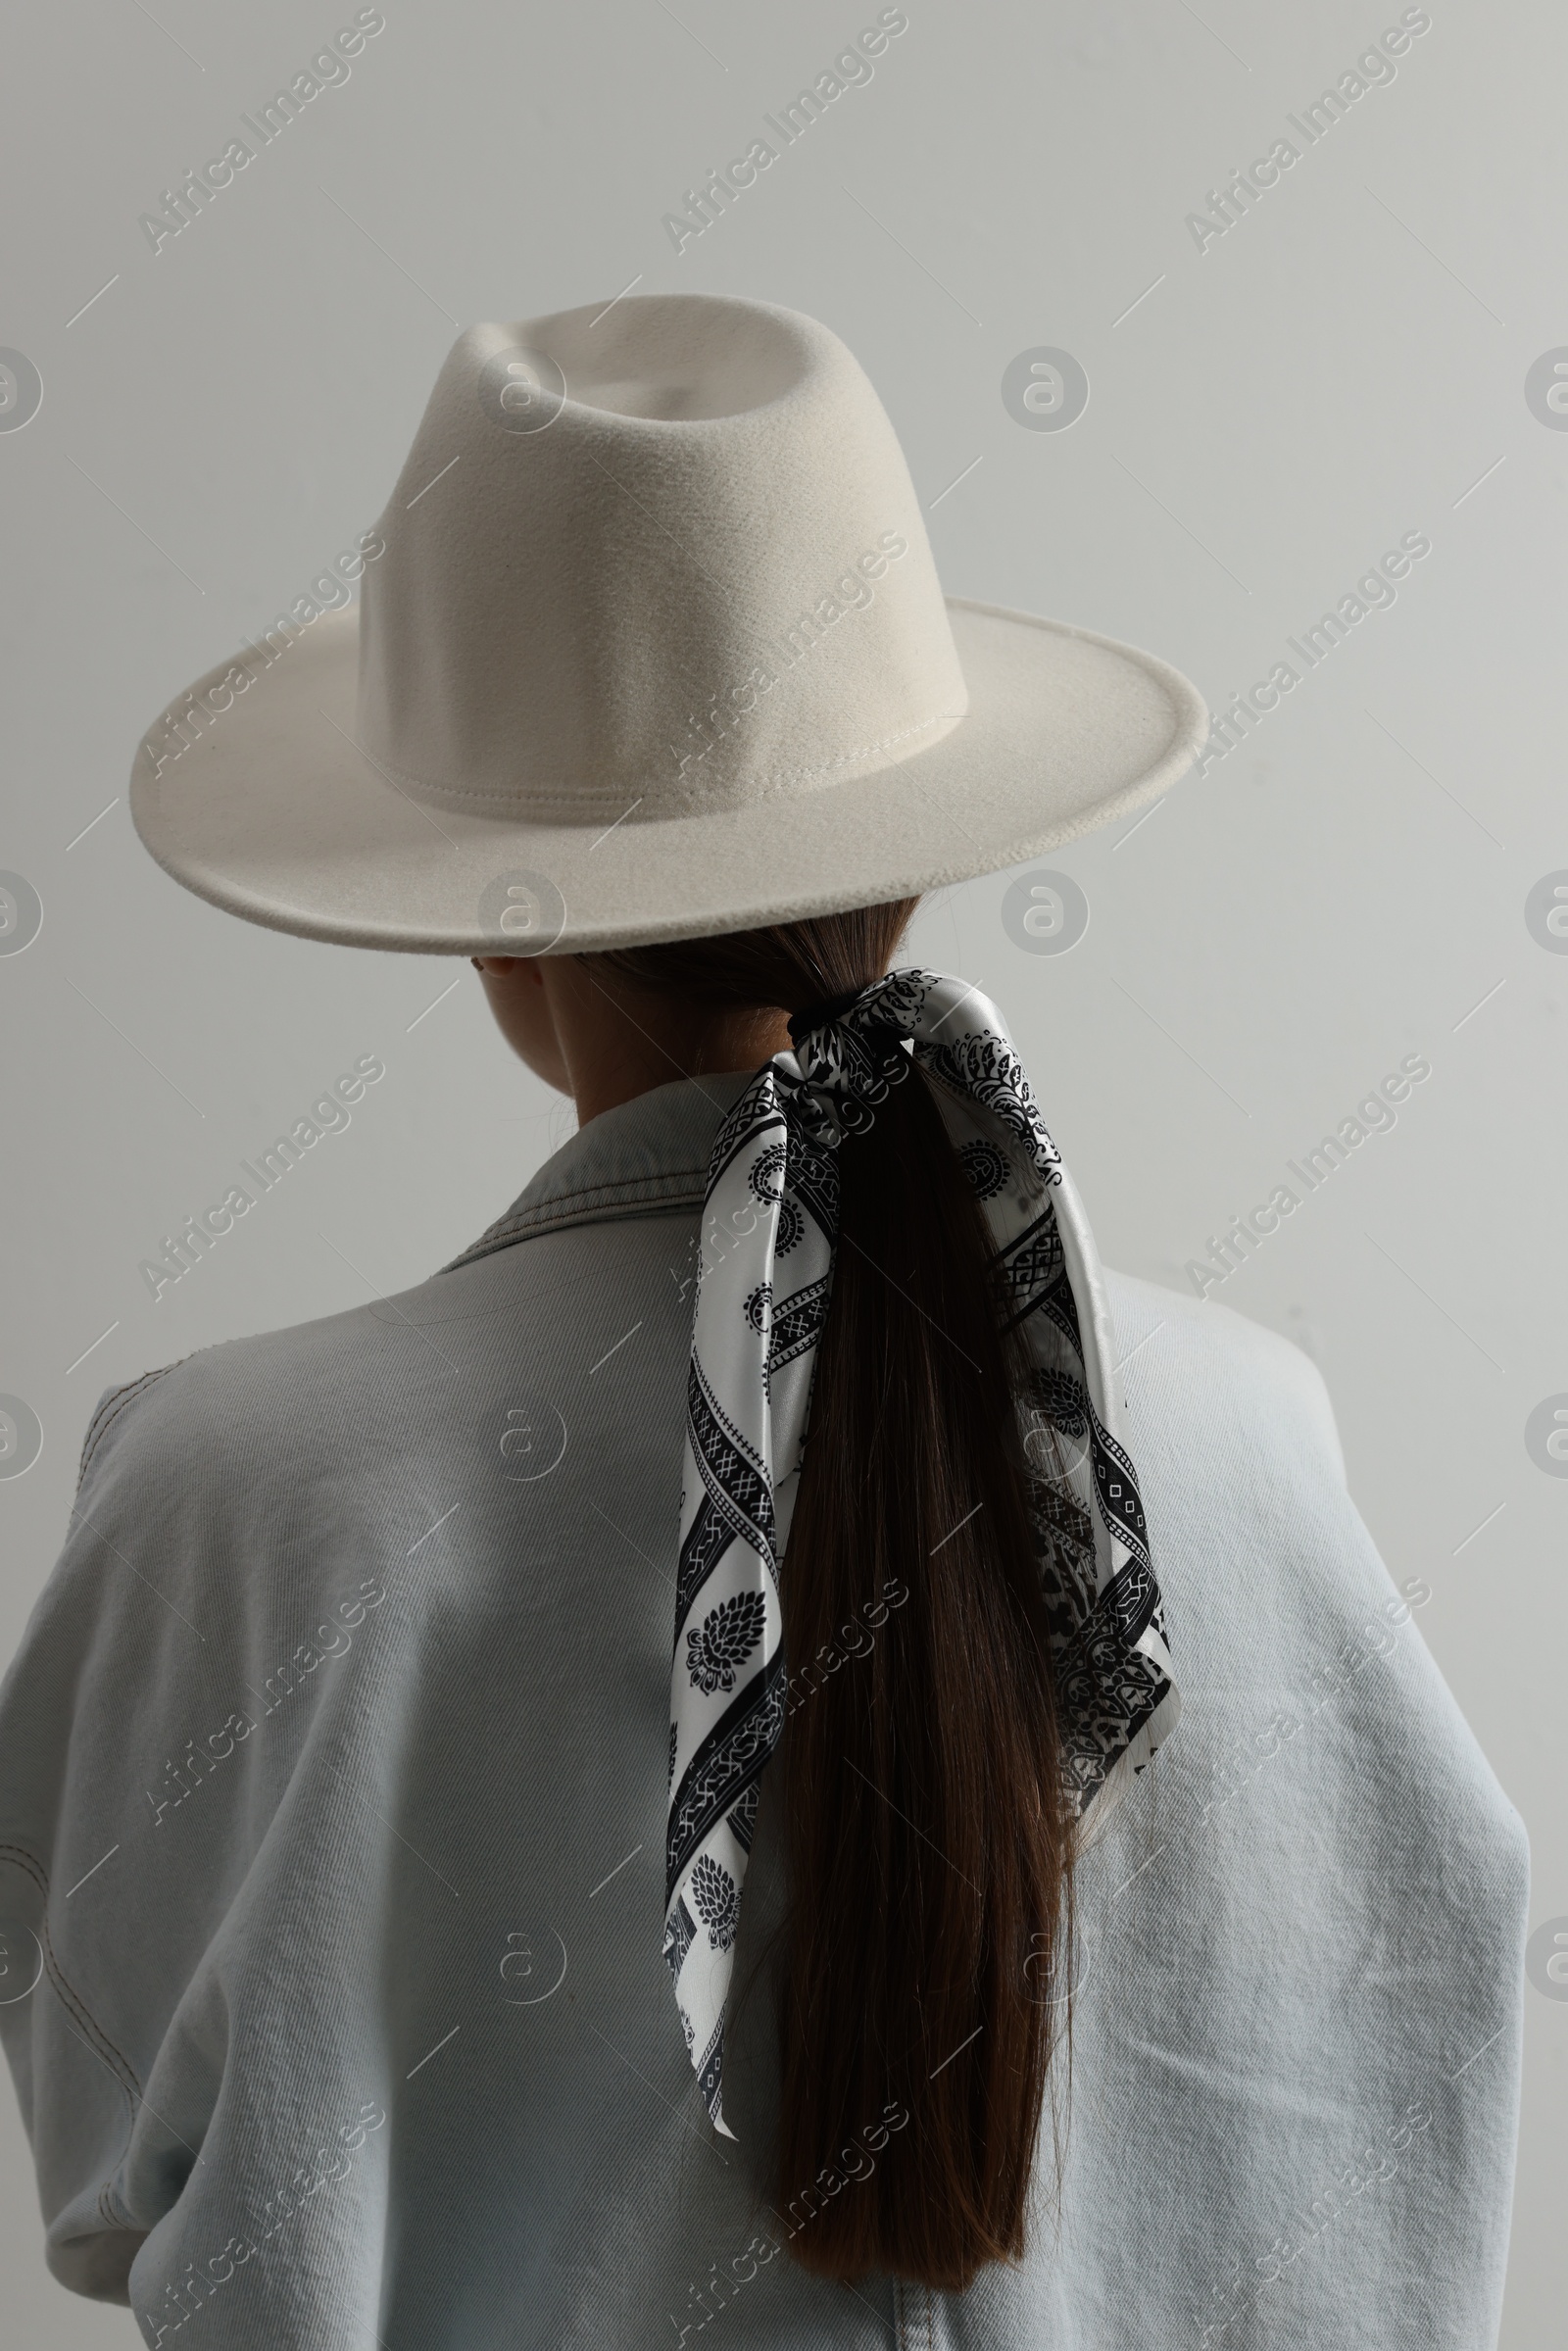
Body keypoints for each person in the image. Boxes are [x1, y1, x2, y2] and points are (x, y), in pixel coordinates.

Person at [0, 294, 1526, 2349]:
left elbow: (118, 2158)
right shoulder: (1243, 1441)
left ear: (487, 934)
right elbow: (1405, 2052)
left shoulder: (240, 1495)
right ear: (907, 871)